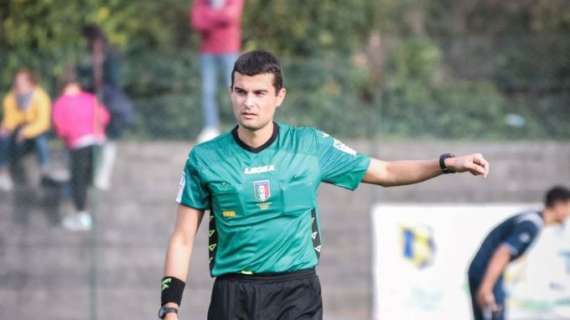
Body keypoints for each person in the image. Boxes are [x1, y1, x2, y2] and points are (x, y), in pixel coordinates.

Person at [158, 50, 491, 320]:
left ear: (279, 96)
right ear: (230, 91)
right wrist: (170, 306)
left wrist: (446, 164)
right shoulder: (205, 158)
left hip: (296, 291)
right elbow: (183, 238)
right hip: (234, 295)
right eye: (240, 91)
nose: (249, 103)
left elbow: (386, 172)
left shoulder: (311, 145)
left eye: (260, 93)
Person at [468, 186, 570, 320]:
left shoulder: (533, 219)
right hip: (486, 273)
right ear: (558, 205)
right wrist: (487, 287)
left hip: (487, 273)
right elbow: (503, 252)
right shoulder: (531, 224)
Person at [78, 24, 134, 190]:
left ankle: (102, 177)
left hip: (110, 107)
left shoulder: (110, 57)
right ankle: (94, 176)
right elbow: (86, 84)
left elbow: (113, 82)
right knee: (96, 140)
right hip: (95, 106)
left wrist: (100, 72)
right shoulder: (90, 61)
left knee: (109, 140)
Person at [52, 77, 110, 231]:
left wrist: (69, 135)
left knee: (78, 180)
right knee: (89, 178)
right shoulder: (90, 98)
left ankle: (82, 215)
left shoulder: (60, 102)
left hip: (78, 143)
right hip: (98, 142)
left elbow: (60, 128)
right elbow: (104, 117)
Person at [190, 0, 244, 142]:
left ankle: (243, 127)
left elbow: (231, 16)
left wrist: (208, 17)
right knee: (208, 91)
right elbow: (197, 22)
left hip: (229, 50)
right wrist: (219, 17)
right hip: (207, 52)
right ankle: (210, 128)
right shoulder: (202, 2)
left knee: (236, 89)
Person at [0, 69, 51, 191]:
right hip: (19, 128)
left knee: (41, 140)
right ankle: (3, 172)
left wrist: (26, 131)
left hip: (37, 130)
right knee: (4, 137)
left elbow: (43, 122)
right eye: (17, 82)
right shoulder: (10, 98)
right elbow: (11, 118)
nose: (19, 85)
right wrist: (6, 127)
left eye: (22, 82)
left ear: (31, 84)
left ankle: (44, 172)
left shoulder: (41, 97)